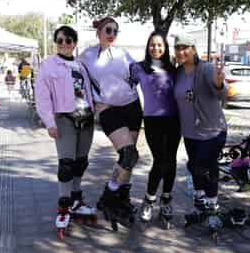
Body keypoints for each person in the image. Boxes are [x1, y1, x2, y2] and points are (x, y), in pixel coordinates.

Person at [79, 16, 142, 230]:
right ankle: (109, 196)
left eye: (116, 31)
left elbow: (140, 75)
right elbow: (71, 76)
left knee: (129, 159)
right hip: (108, 109)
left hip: (132, 107)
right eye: (108, 30)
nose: (112, 34)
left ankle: (120, 198)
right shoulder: (87, 56)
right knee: (128, 154)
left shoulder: (123, 54)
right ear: (98, 31)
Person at [35, 26, 96, 237]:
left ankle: (77, 199)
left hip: (86, 118)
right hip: (64, 119)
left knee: (81, 162)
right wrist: (49, 122)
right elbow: (42, 96)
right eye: (60, 40)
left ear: (75, 42)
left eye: (68, 40)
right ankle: (64, 205)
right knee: (66, 164)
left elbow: (90, 92)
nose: (64, 44)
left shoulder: (81, 65)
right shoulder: (48, 65)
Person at [173, 34, 227, 232]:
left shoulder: (205, 69)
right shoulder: (178, 73)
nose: (181, 52)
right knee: (194, 167)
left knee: (205, 167)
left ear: (193, 49)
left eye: (185, 47)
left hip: (212, 131)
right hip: (190, 132)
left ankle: (213, 207)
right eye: (178, 48)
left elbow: (221, 93)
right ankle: (200, 205)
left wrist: (220, 84)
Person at [129, 31, 180, 227]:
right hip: (152, 121)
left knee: (172, 161)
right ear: (147, 46)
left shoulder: (173, 70)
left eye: (160, 45)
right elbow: (125, 90)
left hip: (174, 120)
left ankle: (166, 200)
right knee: (160, 161)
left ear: (165, 48)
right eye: (152, 44)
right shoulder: (138, 68)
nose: (156, 48)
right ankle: (149, 200)